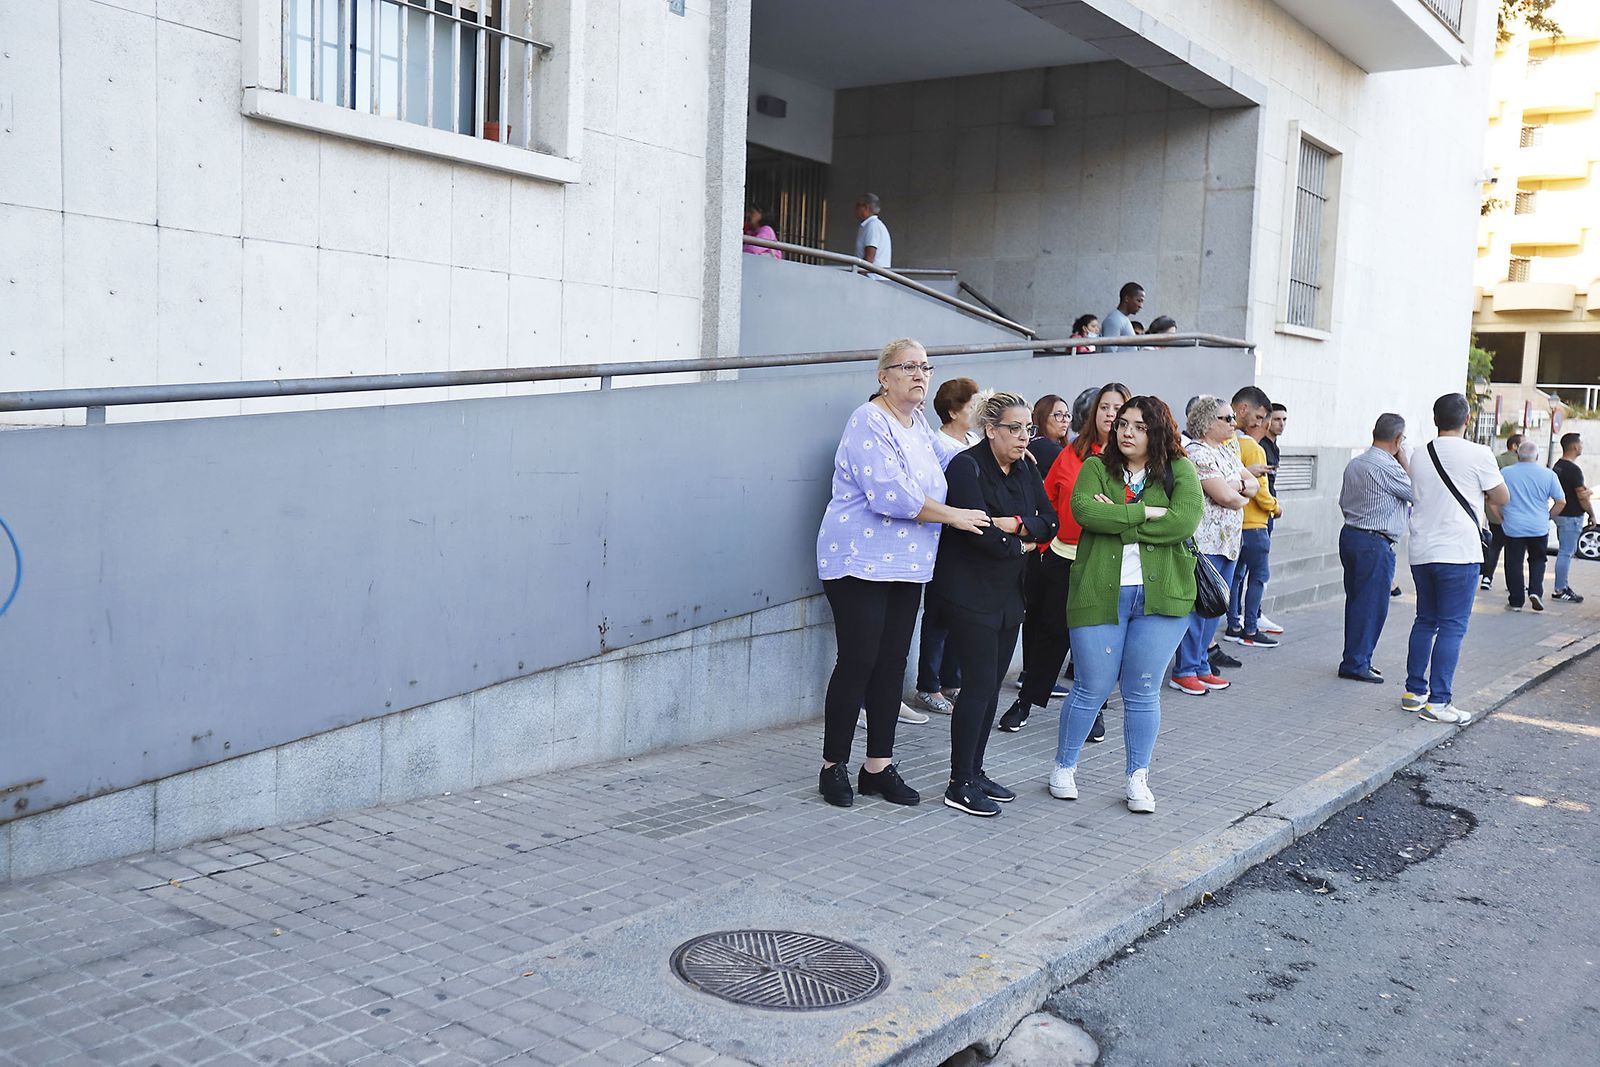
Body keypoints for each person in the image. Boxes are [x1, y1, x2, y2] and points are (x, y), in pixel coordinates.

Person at [814, 339, 991, 807]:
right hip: (857, 561)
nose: (919, 374)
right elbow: (890, 495)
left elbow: (956, 460)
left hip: (907, 565)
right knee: (859, 659)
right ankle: (833, 766)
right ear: (883, 376)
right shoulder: (868, 419)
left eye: (925, 367)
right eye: (908, 366)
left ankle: (878, 767)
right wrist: (954, 515)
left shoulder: (918, 426)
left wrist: (1007, 453)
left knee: (893, 663)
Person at [1050, 396, 1201, 814]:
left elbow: (1184, 522)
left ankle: (1138, 778)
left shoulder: (1180, 471)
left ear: (1158, 432)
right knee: (1092, 686)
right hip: (1099, 592)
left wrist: (1119, 517)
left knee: (1143, 689)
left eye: (1139, 426)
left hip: (1161, 598)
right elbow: (1083, 514)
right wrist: (1148, 513)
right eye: (1122, 424)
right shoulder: (1097, 467)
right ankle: (1064, 766)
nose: (1127, 432)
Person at [931, 392, 1058, 817]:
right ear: (990, 429)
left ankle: (976, 770)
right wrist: (1022, 541)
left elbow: (1050, 521)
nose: (1025, 437)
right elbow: (978, 532)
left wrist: (1017, 526)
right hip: (970, 594)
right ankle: (959, 782)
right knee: (980, 687)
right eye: (1015, 429)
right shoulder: (966, 466)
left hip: (1009, 594)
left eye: (1028, 429)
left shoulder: (1024, 468)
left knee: (990, 690)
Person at [1001, 382, 1131, 736]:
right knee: (1048, 632)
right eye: (1104, 407)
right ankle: (1026, 701)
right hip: (1062, 557)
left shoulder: (1135, 461)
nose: (1110, 414)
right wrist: (1043, 546)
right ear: (1094, 413)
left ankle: (1096, 709)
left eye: (1118, 408)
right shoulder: (1072, 452)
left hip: (1106, 562)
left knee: (1095, 640)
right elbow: (1048, 501)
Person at [1401, 393, 1509, 726]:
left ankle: (1414, 692)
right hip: (1459, 552)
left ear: (1436, 420)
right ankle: (1439, 702)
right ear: (1467, 421)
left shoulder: (1420, 454)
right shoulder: (1479, 453)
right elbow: (1502, 496)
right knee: (1452, 626)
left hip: (1421, 550)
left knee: (1425, 621)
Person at [1170, 396, 1255, 696]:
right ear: (1207, 421)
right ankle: (1185, 669)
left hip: (1229, 542)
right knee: (1199, 606)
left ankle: (1202, 665)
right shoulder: (1196, 452)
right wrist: (1239, 490)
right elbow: (1226, 497)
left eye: (1233, 417)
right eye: (1226, 418)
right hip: (1205, 543)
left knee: (1216, 605)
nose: (1234, 423)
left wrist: (1237, 488)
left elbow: (1253, 485)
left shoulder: (1228, 451)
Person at [913, 377, 983, 715]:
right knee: (938, 616)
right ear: (954, 411)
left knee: (962, 615)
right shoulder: (938, 444)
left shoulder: (976, 440)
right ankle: (928, 685)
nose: (976, 413)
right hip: (943, 540)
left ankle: (951, 680)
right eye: (972, 407)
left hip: (970, 542)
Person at [1337, 414, 1413, 683]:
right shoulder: (1388, 467)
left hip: (1351, 535)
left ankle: (1356, 658)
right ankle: (1357, 663)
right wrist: (1405, 461)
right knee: (1371, 606)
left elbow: (1342, 500)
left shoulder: (1356, 463)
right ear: (1398, 439)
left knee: (1357, 602)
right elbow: (1419, 493)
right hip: (1374, 542)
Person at [1223, 387, 1281, 648]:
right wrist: (1276, 508)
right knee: (1258, 576)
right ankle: (1250, 627)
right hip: (1254, 525)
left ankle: (1234, 624)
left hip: (1236, 523)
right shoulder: (1253, 448)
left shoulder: (1232, 445)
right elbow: (1261, 491)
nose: (1262, 423)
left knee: (1236, 577)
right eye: (1260, 418)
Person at [1498, 440, 1566, 613]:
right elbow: (1561, 501)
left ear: (1518, 455)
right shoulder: (1548, 475)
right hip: (1538, 526)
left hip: (1513, 526)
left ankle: (1516, 601)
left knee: (1513, 563)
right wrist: (1548, 517)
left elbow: (1492, 497)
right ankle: (1535, 591)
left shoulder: (1505, 473)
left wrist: (1499, 515)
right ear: (1537, 456)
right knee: (1537, 560)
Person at [1255, 402, 1288, 634]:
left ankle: (1250, 615)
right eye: (1277, 419)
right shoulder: (1261, 447)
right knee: (1253, 570)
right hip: (1260, 514)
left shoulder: (1273, 447)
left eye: (1284, 419)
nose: (1281, 424)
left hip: (1267, 512)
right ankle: (1249, 617)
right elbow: (1260, 487)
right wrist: (1273, 506)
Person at [1552, 432, 1593, 603]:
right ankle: (1560, 589)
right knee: (1566, 553)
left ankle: (1562, 586)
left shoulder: (1558, 466)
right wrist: (1592, 514)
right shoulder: (1573, 470)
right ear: (1575, 447)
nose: (1582, 446)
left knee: (1564, 551)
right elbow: (1582, 496)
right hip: (1572, 516)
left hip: (1561, 514)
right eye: (1581, 444)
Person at [1482, 432, 1524, 590]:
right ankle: (1513, 583)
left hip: (1494, 511)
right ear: (1514, 446)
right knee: (1513, 551)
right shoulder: (1520, 463)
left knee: (1495, 545)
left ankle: (1487, 577)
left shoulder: (1496, 460)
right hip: (1513, 512)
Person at [1028, 394, 1070, 475]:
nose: (1065, 420)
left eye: (1067, 415)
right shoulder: (1044, 447)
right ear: (1043, 418)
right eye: (1058, 415)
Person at [1100, 283, 1145, 350]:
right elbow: (1109, 351)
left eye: (1142, 302)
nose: (1141, 306)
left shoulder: (1122, 318)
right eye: (1138, 301)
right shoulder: (1114, 320)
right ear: (1126, 298)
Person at [854, 193, 892, 271]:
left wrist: (858, 276)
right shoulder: (871, 225)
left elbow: (869, 259)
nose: (855, 208)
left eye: (858, 205)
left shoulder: (872, 226)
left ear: (866, 207)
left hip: (871, 278)